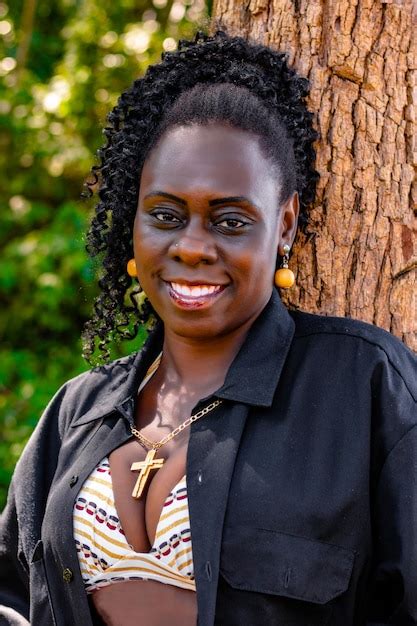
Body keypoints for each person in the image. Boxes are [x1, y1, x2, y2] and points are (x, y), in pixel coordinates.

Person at [0, 29, 416, 626]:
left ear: (286, 227)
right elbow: (13, 592)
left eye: (229, 220)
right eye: (166, 215)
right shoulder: (77, 413)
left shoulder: (364, 387)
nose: (192, 247)